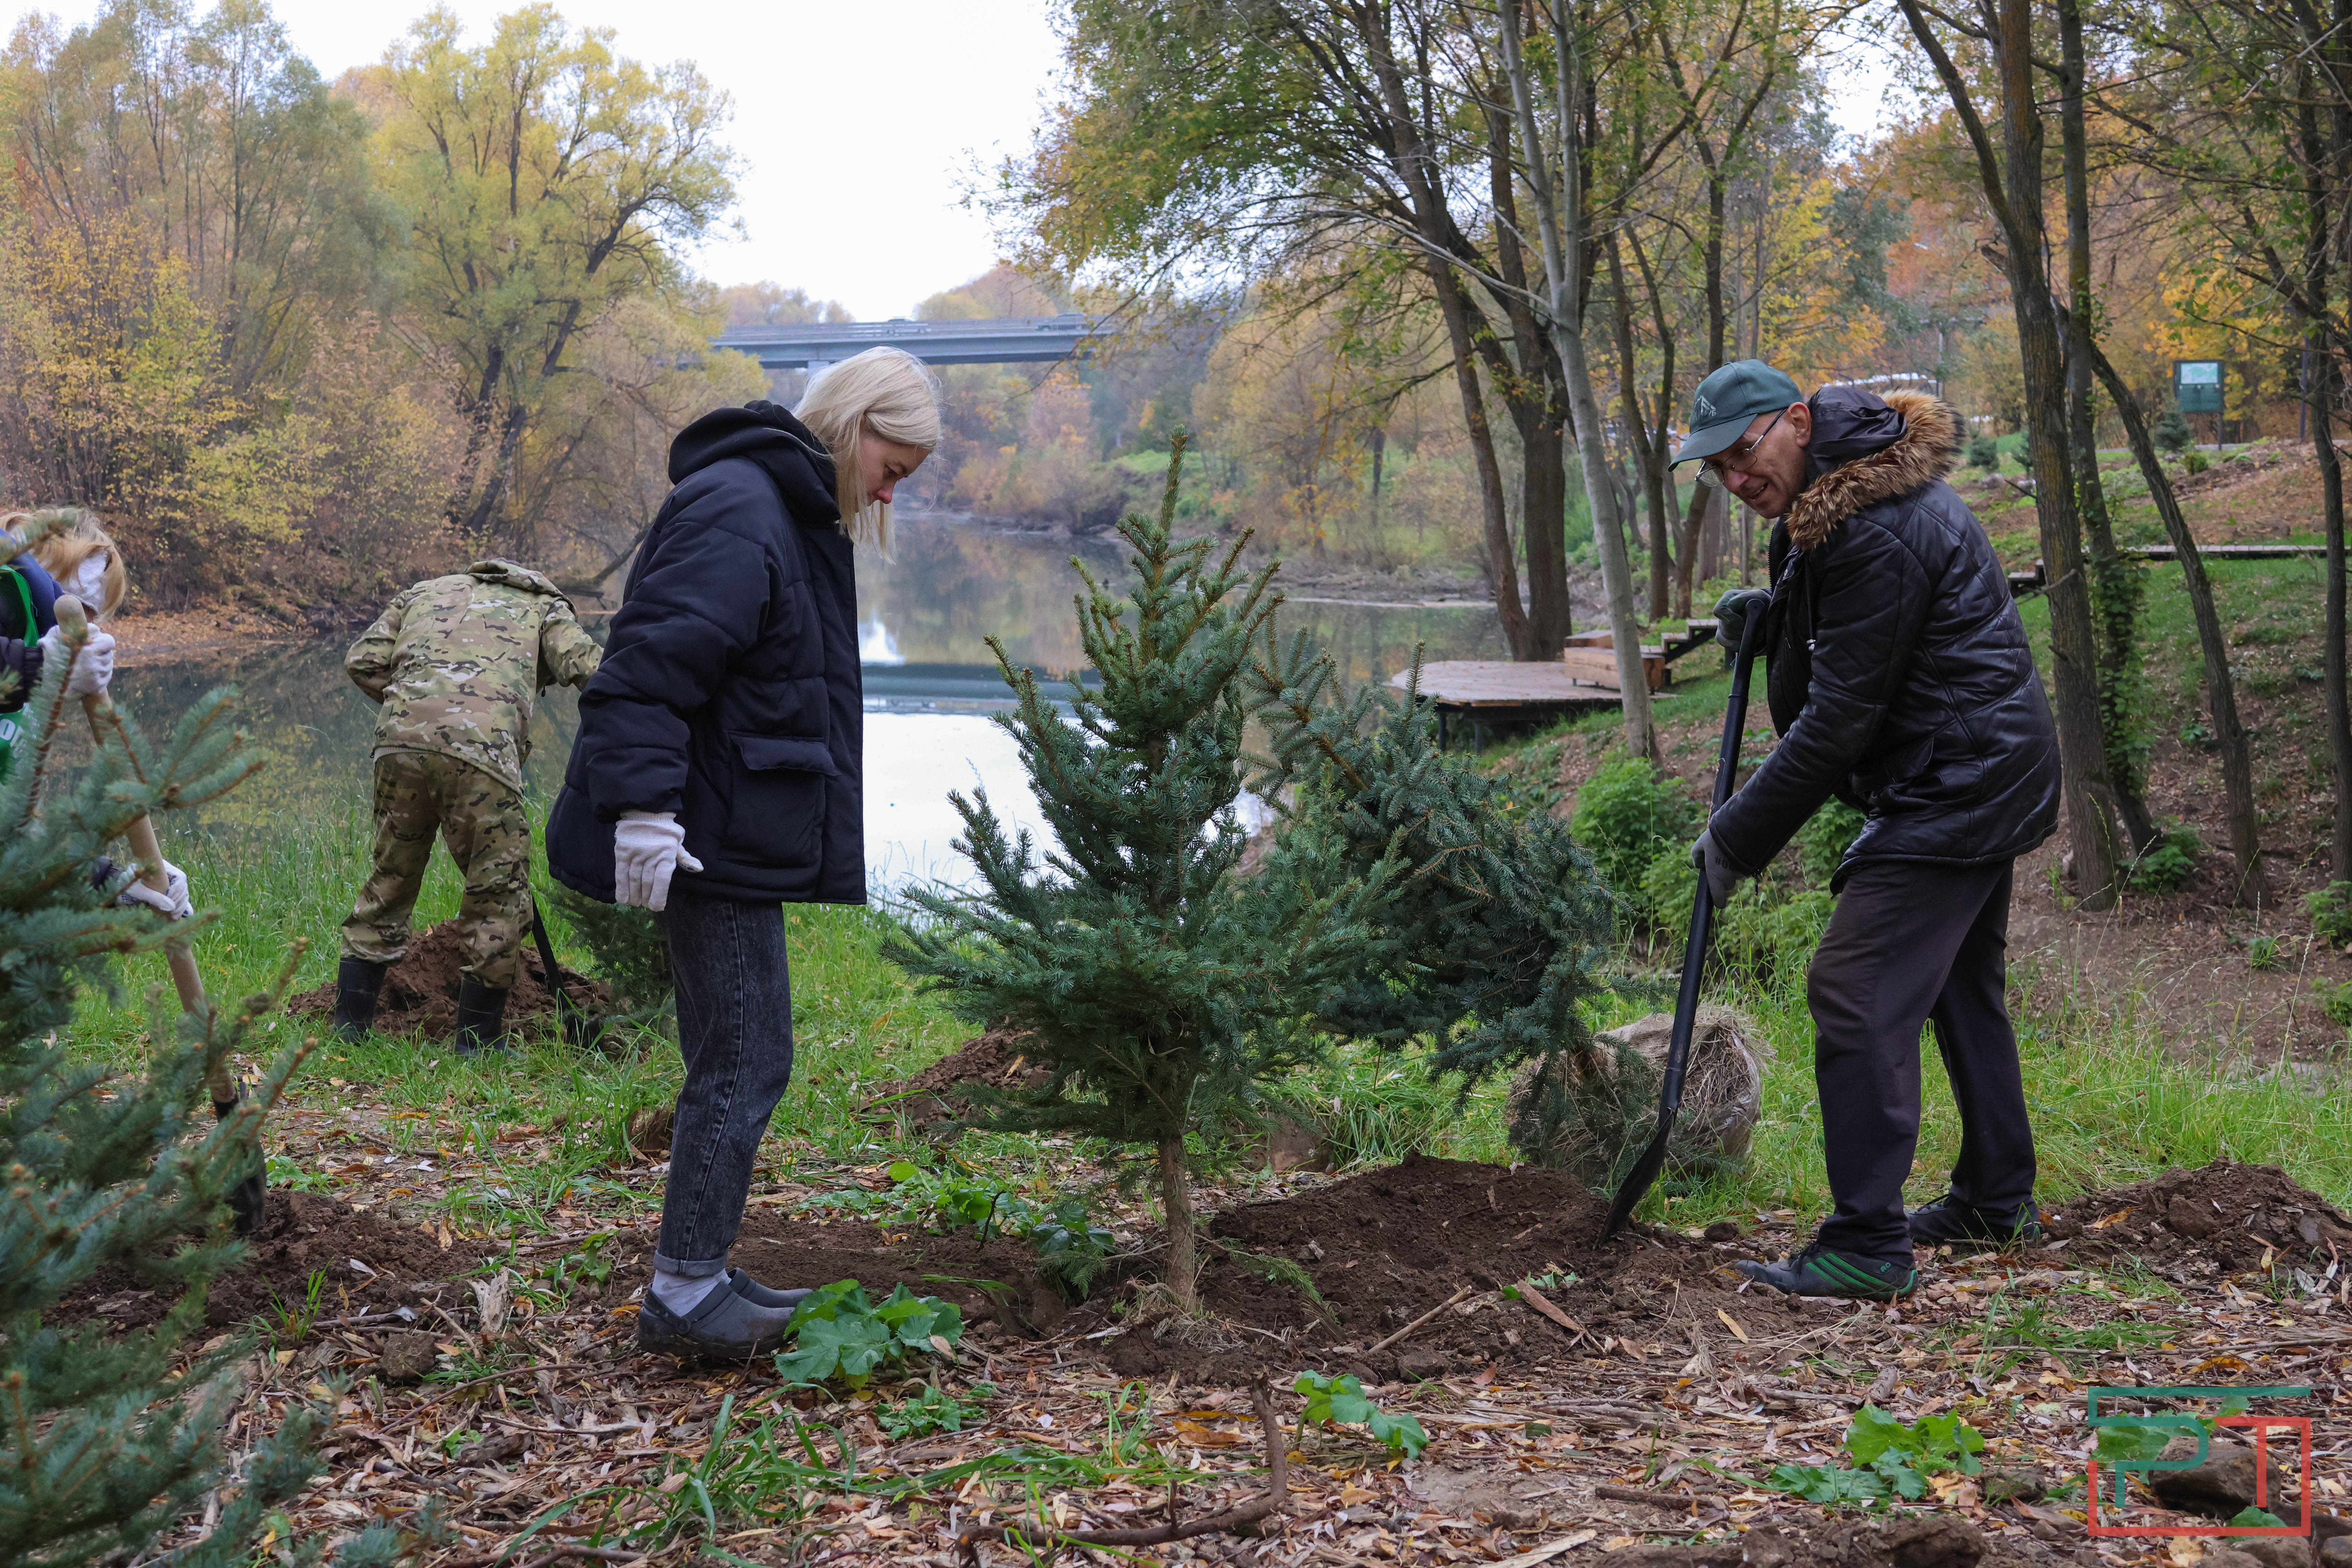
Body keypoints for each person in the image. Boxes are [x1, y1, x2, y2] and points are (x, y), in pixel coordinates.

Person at [548, 347, 940, 1359]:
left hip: (724, 828)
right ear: (856, 426)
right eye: (894, 464)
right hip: (700, 836)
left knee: (741, 1050)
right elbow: (648, 669)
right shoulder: (743, 506)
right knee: (744, 1056)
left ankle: (702, 1269)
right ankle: (684, 1295)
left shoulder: (778, 508)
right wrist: (642, 809)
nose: (895, 488)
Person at [1673, 360, 2061, 1301]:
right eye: (1716, 469)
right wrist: (1771, 623)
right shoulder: (1843, 498)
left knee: (1853, 989)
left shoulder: (1873, 524)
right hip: (1974, 764)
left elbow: (1841, 718)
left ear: (1798, 422)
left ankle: (1866, 1246)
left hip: (1958, 782)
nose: (1735, 480)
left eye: (1743, 453)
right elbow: (1859, 638)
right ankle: (1996, 1199)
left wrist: (1736, 838)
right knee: (1963, 989)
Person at [335, 560, 603, 1050]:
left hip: (399, 742)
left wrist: (416, 705)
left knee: (390, 877)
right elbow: (586, 667)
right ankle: (476, 1043)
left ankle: (350, 1029)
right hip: (482, 752)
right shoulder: (545, 605)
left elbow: (363, 660)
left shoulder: (422, 591)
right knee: (496, 890)